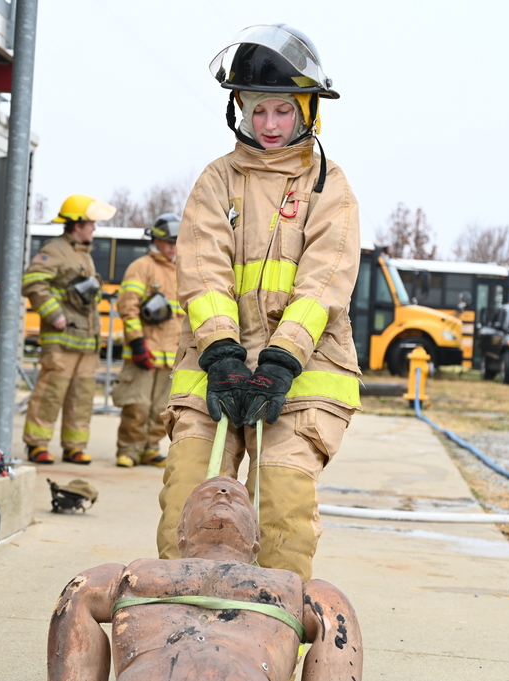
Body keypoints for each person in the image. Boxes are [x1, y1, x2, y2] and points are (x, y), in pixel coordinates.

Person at [156, 24, 362, 581]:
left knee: (281, 516)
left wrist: (279, 361)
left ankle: (271, 639)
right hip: (212, 366)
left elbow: (325, 284)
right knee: (188, 508)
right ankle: (178, 640)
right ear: (239, 110)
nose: (268, 125)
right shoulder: (216, 180)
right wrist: (222, 354)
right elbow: (201, 273)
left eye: (282, 111)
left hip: (301, 374)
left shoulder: (330, 187)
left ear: (307, 111)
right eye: (257, 110)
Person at [47, 476, 363, 681]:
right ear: (180, 534)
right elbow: (77, 602)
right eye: (205, 496)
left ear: (256, 541)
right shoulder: (129, 575)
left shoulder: (297, 589)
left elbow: (338, 638)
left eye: (237, 499)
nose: (223, 493)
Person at [21, 194, 116, 465]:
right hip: (61, 341)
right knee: (50, 393)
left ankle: (74, 447)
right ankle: (37, 445)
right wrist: (55, 314)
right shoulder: (56, 249)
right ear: (76, 224)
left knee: (82, 397)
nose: (94, 229)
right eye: (91, 224)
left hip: (85, 343)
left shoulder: (82, 254)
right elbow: (32, 282)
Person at [111, 213, 185, 468]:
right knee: (137, 405)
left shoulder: (182, 270)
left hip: (170, 354)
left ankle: (150, 448)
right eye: (167, 241)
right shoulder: (141, 267)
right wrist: (137, 343)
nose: (172, 247)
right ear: (155, 239)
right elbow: (128, 306)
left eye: (176, 241)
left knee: (160, 408)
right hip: (145, 350)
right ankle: (129, 449)